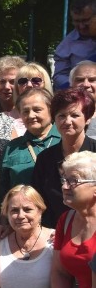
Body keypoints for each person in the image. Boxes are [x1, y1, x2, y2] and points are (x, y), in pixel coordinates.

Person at [50, 152, 96, 288]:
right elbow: (59, 272)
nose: (65, 186)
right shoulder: (65, 220)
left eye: (73, 180)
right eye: (64, 180)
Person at [32, 88, 96, 227]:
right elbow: (39, 201)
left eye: (74, 115)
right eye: (61, 116)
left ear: (88, 118)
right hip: (54, 233)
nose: (67, 121)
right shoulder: (45, 159)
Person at [0, 88, 59, 206]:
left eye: (37, 110)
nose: (31, 115)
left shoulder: (65, 140)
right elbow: (4, 189)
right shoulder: (12, 148)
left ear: (51, 110)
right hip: (24, 217)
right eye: (25, 111)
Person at [53, 0, 96, 89]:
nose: (81, 26)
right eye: (77, 21)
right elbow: (59, 76)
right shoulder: (66, 45)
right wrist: (75, 89)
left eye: (85, 20)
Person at [11, 63, 54, 137]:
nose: (29, 85)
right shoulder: (6, 118)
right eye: (23, 81)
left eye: (36, 80)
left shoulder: (58, 116)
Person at [71, 60, 96, 138]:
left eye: (92, 80)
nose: (86, 85)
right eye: (80, 80)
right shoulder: (59, 113)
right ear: (71, 84)